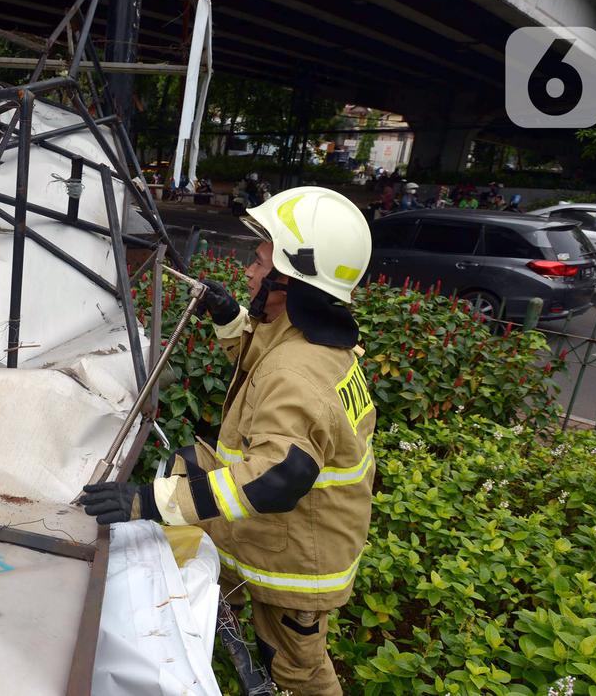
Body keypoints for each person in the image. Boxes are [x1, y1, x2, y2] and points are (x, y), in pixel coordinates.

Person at [82, 187, 376, 695]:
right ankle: (227, 600)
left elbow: (276, 479)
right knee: (191, 463)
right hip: (299, 533)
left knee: (298, 670)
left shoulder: (297, 375)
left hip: (294, 563)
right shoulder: (314, 342)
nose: (250, 270)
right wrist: (228, 315)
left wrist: (146, 502)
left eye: (261, 262)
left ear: (290, 280)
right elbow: (264, 354)